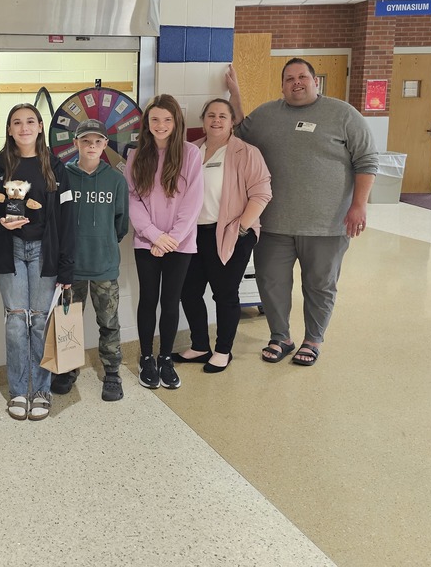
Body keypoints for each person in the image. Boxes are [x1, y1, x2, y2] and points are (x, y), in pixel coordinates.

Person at [226, 59, 377, 366]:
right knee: (271, 283)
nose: (297, 82)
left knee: (320, 285)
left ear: (315, 81)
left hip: (327, 225)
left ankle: (313, 339)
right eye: (289, 78)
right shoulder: (268, 114)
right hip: (273, 224)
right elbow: (240, 133)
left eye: (302, 77)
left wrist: (359, 205)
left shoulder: (344, 114)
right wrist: (236, 94)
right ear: (282, 86)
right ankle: (280, 336)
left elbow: (367, 161)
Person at [0, 103, 74, 421]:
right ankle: (18, 391)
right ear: (9, 129)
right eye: (17, 122)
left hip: (45, 254)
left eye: (30, 121)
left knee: (40, 321)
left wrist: (66, 265)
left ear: (41, 127)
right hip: (10, 250)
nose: (24, 127)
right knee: (17, 322)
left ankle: (41, 390)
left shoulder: (56, 168)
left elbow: (69, 219)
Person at [177, 99, 272, 373]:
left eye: (222, 116)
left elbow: (262, 193)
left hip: (231, 233)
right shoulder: (191, 150)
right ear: (203, 119)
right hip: (194, 235)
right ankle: (199, 345)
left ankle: (222, 350)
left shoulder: (246, 152)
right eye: (210, 115)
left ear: (232, 122)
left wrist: (242, 228)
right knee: (189, 292)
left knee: (225, 294)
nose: (216, 120)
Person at [124, 95, 203, 389]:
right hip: (147, 242)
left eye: (167, 120)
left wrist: (171, 239)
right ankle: (146, 357)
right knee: (148, 300)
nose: (161, 125)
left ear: (176, 122)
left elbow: (193, 201)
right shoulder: (135, 156)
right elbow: (133, 200)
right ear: (147, 123)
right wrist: (155, 236)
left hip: (180, 244)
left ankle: (165, 358)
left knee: (170, 302)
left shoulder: (190, 154)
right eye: (155, 119)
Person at [52, 119, 129, 401]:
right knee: (68, 323)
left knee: (108, 322)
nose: (92, 146)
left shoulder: (116, 181)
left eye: (97, 141)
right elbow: (57, 220)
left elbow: (120, 224)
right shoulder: (64, 177)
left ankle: (112, 373)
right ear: (76, 144)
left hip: (104, 267)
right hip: (71, 269)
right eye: (86, 141)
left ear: (105, 145)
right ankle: (67, 370)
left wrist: (104, 245)